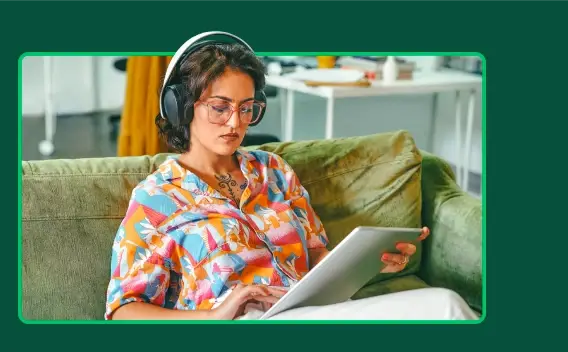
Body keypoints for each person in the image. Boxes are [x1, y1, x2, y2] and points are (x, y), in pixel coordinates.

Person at [104, 32, 479, 321]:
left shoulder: (274, 171)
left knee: (445, 305)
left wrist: (369, 261)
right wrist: (215, 314)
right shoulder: (156, 197)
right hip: (244, 325)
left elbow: (317, 256)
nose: (236, 123)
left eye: (247, 108)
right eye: (220, 108)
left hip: (312, 311)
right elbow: (124, 310)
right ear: (181, 105)